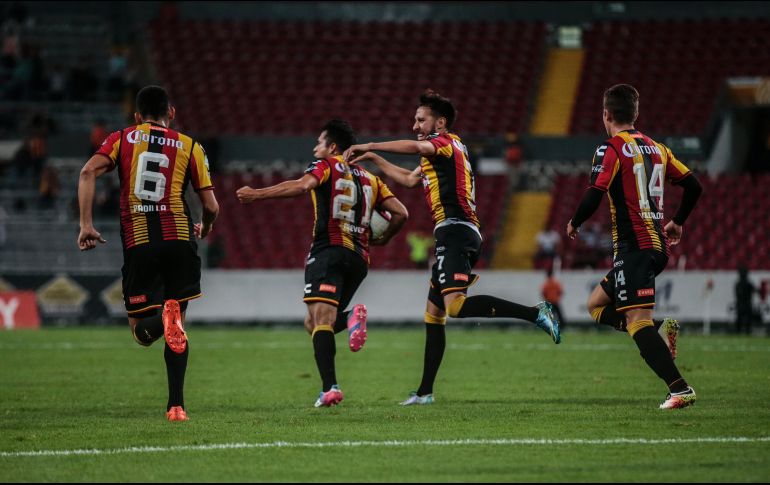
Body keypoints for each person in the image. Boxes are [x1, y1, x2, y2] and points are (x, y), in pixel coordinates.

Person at [344, 90, 561, 406]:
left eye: (421, 120)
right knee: (434, 316)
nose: (415, 126)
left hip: (456, 230)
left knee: (455, 307)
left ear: (440, 123)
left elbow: (416, 147)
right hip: (455, 232)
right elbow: (409, 180)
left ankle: (535, 313)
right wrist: (376, 160)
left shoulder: (443, 143)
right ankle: (425, 392)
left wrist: (371, 145)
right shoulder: (445, 150)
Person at [236, 119, 408, 408]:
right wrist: (383, 239)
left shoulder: (326, 165)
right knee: (314, 323)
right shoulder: (371, 179)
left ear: (333, 147)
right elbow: (401, 213)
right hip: (359, 259)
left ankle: (330, 388)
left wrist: (257, 194)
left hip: (329, 251)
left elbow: (303, 186)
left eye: (319, 142)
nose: (315, 147)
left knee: (321, 321)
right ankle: (349, 321)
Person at [77, 85, 219, 422]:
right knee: (177, 326)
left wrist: (86, 224)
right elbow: (211, 206)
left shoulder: (122, 138)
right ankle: (176, 407)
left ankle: (164, 318)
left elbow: (87, 172)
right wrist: (206, 227)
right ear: (172, 113)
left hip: (140, 240)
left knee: (141, 333)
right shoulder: (191, 146)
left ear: (137, 116)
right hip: (180, 239)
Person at [566, 84, 703, 410]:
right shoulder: (658, 149)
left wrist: (575, 221)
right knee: (596, 304)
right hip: (656, 247)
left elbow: (595, 193)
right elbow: (694, 186)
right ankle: (661, 329)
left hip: (635, 248)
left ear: (606, 114)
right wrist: (677, 221)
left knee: (636, 321)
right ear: (635, 113)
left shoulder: (611, 149)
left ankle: (679, 388)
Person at [735, 266, 756, 334]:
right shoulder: (745, 284)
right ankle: (744, 331)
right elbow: (755, 290)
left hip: (743, 303)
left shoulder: (739, 284)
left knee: (742, 318)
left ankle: (742, 331)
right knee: (743, 318)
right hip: (745, 303)